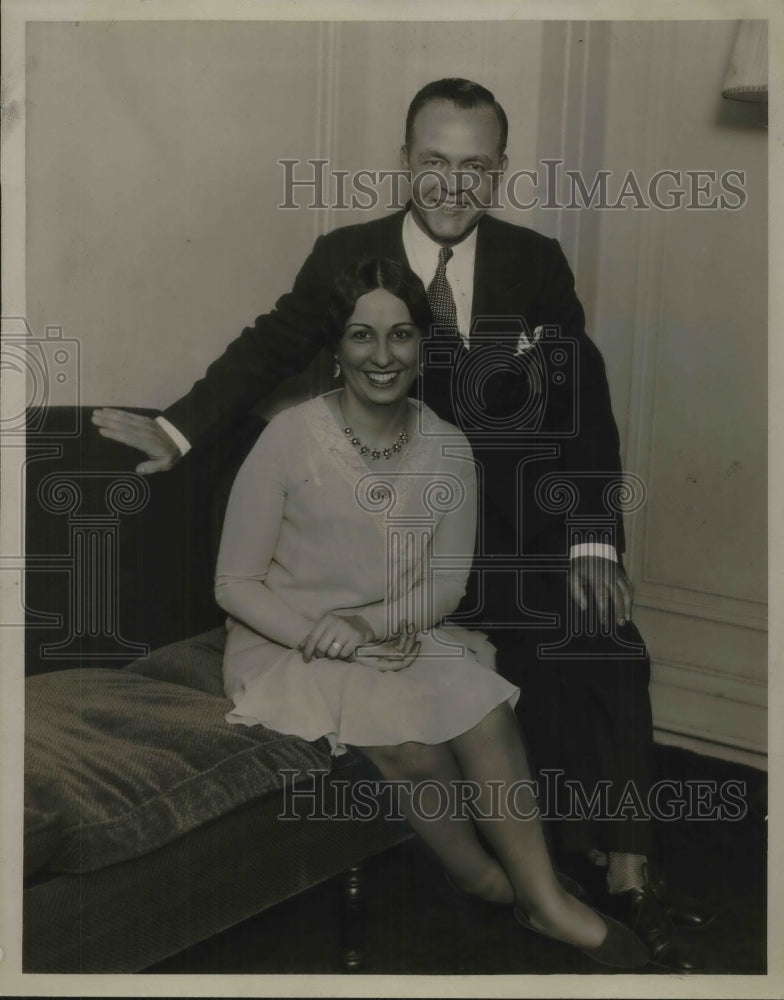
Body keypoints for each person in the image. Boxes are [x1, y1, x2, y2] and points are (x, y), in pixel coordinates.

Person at [92, 78, 711, 969]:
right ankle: (519, 880)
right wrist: (177, 427)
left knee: (603, 637)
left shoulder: (535, 263)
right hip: (389, 542)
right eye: (432, 162)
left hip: (504, 531)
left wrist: (590, 537)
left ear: (497, 171)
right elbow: (271, 343)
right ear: (405, 162)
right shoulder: (348, 253)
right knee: (469, 678)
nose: (450, 185)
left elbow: (583, 402)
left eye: (472, 166)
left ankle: (626, 878)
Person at [214, 255, 647, 969]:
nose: (382, 357)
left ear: (424, 344)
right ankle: (482, 879)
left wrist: (375, 626)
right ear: (335, 348)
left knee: (482, 703)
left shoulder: (448, 446)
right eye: (360, 336)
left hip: (396, 631)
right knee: (409, 745)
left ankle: (547, 902)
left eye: (401, 336)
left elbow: (446, 585)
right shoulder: (290, 437)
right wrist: (338, 639)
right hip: (287, 642)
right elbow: (234, 584)